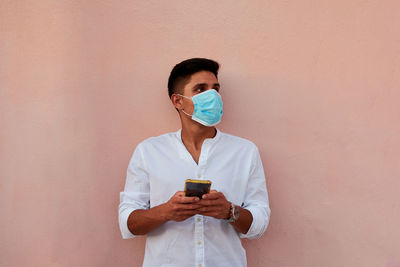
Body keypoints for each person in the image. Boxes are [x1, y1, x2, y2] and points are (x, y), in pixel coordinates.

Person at [118, 58, 271, 267]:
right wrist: (167, 211)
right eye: (201, 89)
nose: (213, 96)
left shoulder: (245, 152)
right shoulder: (149, 151)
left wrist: (229, 211)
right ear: (177, 101)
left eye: (216, 89)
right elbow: (129, 223)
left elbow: (259, 222)